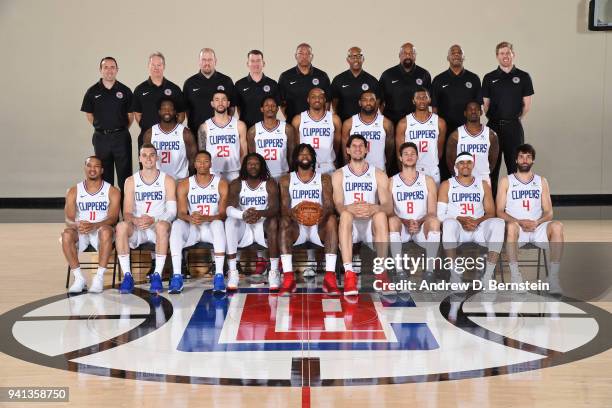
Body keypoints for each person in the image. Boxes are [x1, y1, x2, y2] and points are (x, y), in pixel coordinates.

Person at [496, 144, 564, 291]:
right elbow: (499, 211)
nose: (525, 160)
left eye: (528, 157)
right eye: (521, 157)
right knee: (511, 227)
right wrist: (519, 221)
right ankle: (515, 278)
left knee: (557, 226)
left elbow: (549, 212)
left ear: (533, 160)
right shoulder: (506, 181)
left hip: (537, 227)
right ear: (515, 160)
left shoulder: (541, 181)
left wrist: (536, 222)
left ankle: (553, 278)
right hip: (517, 229)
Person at [332, 134, 393, 295]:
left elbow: (388, 206)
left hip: (370, 226)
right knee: (344, 214)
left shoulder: (378, 174)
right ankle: (349, 274)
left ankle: (381, 273)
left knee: (380, 215)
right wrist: (347, 208)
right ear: (348, 150)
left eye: (361, 146)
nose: (358, 149)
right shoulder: (339, 174)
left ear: (366, 149)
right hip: (350, 224)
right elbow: (338, 204)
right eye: (354, 146)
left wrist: (375, 208)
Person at [277, 144, 339, 296]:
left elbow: (329, 206)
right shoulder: (286, 179)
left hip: (319, 227)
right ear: (295, 158)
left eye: (308, 154)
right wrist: (297, 213)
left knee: (331, 219)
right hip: (297, 228)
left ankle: (330, 278)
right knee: (283, 221)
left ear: (313, 158)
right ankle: (289, 278)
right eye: (301, 154)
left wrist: (316, 214)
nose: (304, 157)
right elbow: (285, 207)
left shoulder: (323, 178)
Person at [115, 144, 177, 294]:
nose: (148, 158)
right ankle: (127, 277)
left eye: (151, 155)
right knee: (121, 227)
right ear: (140, 159)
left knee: (162, 226)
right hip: (138, 228)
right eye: (144, 155)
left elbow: (172, 212)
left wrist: (154, 220)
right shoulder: (131, 181)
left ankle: (157, 275)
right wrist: (136, 221)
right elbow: (127, 212)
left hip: (157, 227)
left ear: (156, 157)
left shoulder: (167, 180)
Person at [437, 153, 505, 286]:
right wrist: (460, 219)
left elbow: (491, 212)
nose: (465, 165)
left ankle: (488, 276)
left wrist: (476, 221)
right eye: (462, 163)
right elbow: (440, 215)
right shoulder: (447, 184)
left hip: (477, 228)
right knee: (449, 223)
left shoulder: (482, 184)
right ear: (456, 165)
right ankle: (455, 276)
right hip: (458, 229)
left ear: (473, 165)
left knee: (499, 222)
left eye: (469, 162)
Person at [169, 150, 229, 293]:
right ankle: (177, 276)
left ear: (211, 164)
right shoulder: (185, 184)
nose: (202, 164)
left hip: (211, 228)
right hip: (193, 228)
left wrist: (207, 218)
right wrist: (191, 218)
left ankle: (219, 276)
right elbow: (181, 213)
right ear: (194, 164)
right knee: (177, 224)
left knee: (218, 224)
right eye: (199, 161)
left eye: (206, 161)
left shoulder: (220, 183)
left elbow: (222, 214)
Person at [62, 156, 121, 293]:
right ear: (85, 168)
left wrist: (95, 225)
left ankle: (98, 278)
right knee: (66, 235)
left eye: (96, 166)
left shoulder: (112, 191)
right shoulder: (73, 191)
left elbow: (113, 218)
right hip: (81, 230)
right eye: (89, 166)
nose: (92, 169)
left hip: (101, 230)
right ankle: (79, 279)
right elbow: (68, 220)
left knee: (106, 231)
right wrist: (76, 225)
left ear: (102, 170)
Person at [483, 41, 534, 196]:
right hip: (494, 127)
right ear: (497, 56)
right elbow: (485, 106)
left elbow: (526, 106)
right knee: (492, 168)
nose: (505, 56)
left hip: (513, 127)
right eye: (502, 53)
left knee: (515, 166)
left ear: (513, 55)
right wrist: (497, 119)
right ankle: (492, 207)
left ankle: (513, 204)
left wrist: (512, 118)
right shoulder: (489, 77)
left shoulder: (523, 77)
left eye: (508, 53)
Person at [225, 153, 280, 290]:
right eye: (250, 163)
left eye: (256, 163)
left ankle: (273, 272)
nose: (253, 166)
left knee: (274, 222)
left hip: (262, 225)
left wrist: (259, 213)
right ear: (245, 166)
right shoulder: (237, 183)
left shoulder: (269, 183)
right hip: (244, 226)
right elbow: (229, 209)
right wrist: (243, 214)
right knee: (230, 222)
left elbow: (275, 208)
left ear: (261, 166)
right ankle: (233, 272)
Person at [81, 57, 133, 199]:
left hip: (121, 137)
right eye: (106, 67)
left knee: (125, 177)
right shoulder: (92, 91)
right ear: (100, 70)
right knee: (104, 176)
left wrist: (119, 129)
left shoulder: (125, 90)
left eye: (112, 67)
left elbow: (130, 115)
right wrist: (103, 128)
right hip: (101, 138)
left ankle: (126, 215)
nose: (109, 70)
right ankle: (110, 216)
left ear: (117, 70)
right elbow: (89, 114)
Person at [431, 45, 482, 181]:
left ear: (463, 57)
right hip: (446, 130)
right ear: (448, 57)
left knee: (467, 163)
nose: (456, 55)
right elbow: (434, 109)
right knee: (446, 164)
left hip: (468, 131)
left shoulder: (474, 79)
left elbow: (478, 108)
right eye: (453, 53)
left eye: (459, 53)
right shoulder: (438, 80)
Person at [388, 142, 440, 276]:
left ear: (417, 157)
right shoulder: (391, 181)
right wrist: (405, 222)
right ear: (400, 158)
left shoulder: (427, 180)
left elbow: (432, 212)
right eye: (406, 154)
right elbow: (389, 211)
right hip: (402, 227)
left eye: (412, 154)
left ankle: (429, 272)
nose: (409, 156)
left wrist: (420, 222)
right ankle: (399, 271)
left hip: (421, 227)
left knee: (434, 221)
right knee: (392, 221)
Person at [132, 52, 185, 150]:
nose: (156, 68)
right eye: (153, 65)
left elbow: (181, 114)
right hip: (148, 137)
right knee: (147, 164)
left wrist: (171, 130)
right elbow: (137, 114)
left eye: (159, 65)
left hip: (170, 138)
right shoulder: (140, 89)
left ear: (164, 66)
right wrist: (149, 129)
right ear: (148, 66)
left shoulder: (174, 89)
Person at [395, 87, 447, 185]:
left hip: (432, 169)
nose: (422, 100)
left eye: (424, 97)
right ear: (413, 101)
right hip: (412, 169)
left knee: (433, 199)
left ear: (429, 100)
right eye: (418, 98)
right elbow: (399, 153)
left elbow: (439, 151)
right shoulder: (404, 123)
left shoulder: (440, 122)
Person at [183, 48, 236, 137]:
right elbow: (187, 110)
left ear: (215, 61)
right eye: (204, 60)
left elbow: (232, 107)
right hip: (197, 132)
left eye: (210, 60)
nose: (207, 63)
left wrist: (224, 125)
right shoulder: (189, 83)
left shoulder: (226, 81)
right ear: (199, 62)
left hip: (222, 133)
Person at [197, 90, 247, 181]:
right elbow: (202, 154)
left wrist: (243, 172)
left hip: (234, 172)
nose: (220, 102)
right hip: (213, 172)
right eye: (217, 100)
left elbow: (244, 153)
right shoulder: (204, 127)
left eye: (223, 100)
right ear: (212, 103)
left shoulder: (239, 125)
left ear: (228, 103)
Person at [143, 97, 197, 180]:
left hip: (180, 180)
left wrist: (189, 181)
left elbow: (193, 159)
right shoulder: (150, 133)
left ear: (175, 112)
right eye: (164, 108)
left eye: (170, 109)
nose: (167, 111)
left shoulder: (185, 133)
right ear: (159, 112)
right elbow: (145, 160)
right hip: (158, 181)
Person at [446, 101, 499, 184]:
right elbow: (450, 161)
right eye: (470, 109)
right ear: (465, 113)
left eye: (476, 109)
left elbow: (493, 161)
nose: (473, 111)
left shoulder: (491, 135)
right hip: (461, 179)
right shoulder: (456, 135)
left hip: (483, 179)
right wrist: (459, 175)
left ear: (481, 112)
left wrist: (483, 173)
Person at [342, 90, 394, 173]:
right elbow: (345, 152)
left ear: (376, 102)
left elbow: (390, 149)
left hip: (379, 169)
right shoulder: (349, 123)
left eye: (371, 100)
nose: (368, 103)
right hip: (356, 170)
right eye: (365, 100)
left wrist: (386, 166)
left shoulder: (386, 123)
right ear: (360, 102)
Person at [379, 42, 432, 125]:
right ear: (399, 55)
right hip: (392, 122)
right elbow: (380, 101)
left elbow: (428, 101)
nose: (408, 56)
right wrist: (384, 121)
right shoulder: (388, 74)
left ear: (415, 56)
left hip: (417, 123)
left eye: (411, 53)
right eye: (405, 53)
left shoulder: (424, 74)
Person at [292, 87, 341, 174]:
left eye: (320, 97)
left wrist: (332, 158)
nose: (317, 99)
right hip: (306, 166)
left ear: (325, 99)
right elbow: (296, 145)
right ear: (308, 99)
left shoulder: (334, 119)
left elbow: (337, 143)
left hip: (328, 165)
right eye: (313, 97)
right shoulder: (298, 119)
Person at [278, 43, 331, 121]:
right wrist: (290, 119)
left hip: (317, 124)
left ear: (312, 56)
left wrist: (322, 120)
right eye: (301, 53)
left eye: (307, 54)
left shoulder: (322, 76)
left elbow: (327, 101)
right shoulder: (285, 76)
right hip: (293, 123)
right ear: (295, 56)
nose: (304, 57)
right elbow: (282, 103)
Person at [247, 96, 296, 180]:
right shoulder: (253, 130)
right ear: (262, 109)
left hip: (283, 174)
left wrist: (291, 172)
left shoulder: (287, 128)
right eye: (266, 105)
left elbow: (292, 153)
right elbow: (252, 156)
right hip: (262, 175)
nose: (270, 108)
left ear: (277, 109)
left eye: (273, 106)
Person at [331, 47, 380, 122]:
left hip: (365, 124)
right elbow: (334, 103)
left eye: (359, 56)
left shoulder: (372, 80)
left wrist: (370, 120)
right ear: (348, 60)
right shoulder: (338, 79)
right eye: (352, 56)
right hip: (343, 122)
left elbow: (377, 102)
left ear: (363, 59)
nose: (356, 59)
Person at [235, 50, 280, 129]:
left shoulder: (273, 84)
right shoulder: (239, 84)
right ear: (247, 64)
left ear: (263, 63)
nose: (255, 64)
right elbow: (238, 108)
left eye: (258, 61)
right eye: (252, 61)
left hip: (268, 129)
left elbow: (276, 107)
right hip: (247, 128)